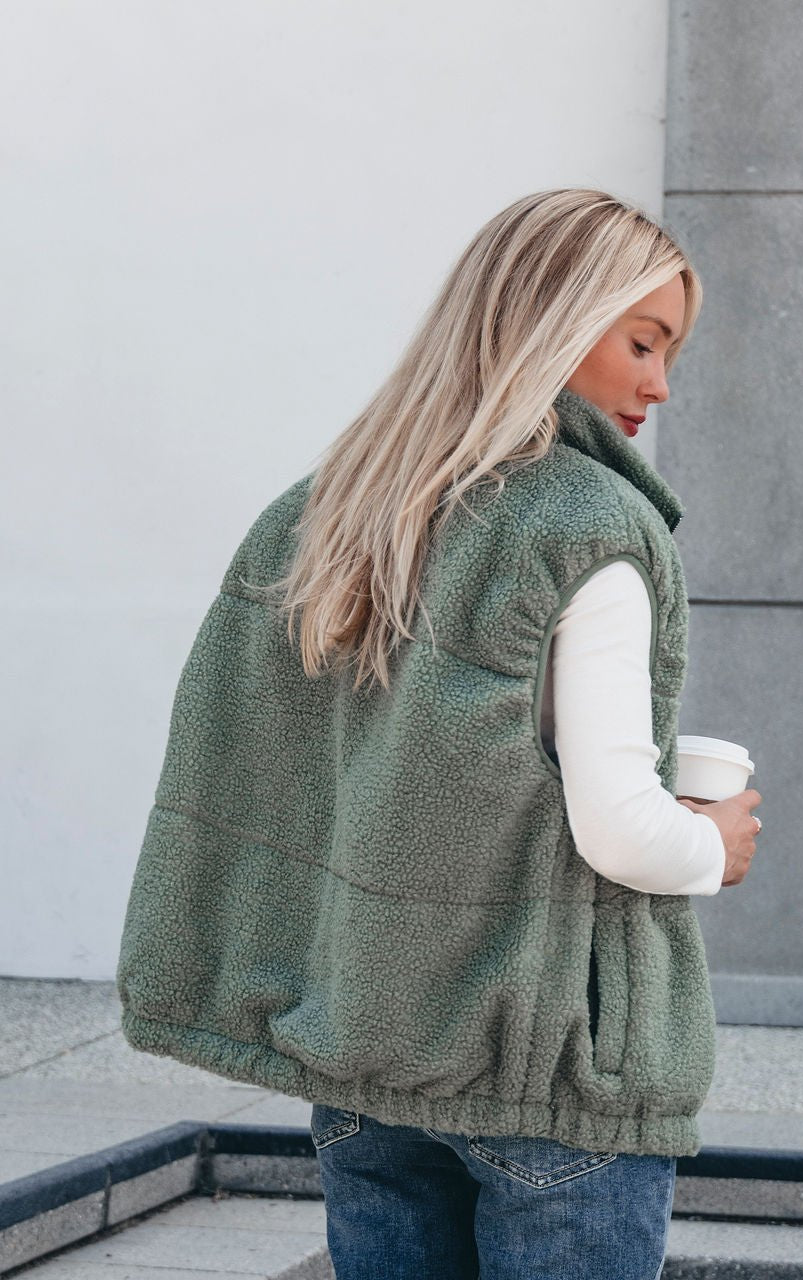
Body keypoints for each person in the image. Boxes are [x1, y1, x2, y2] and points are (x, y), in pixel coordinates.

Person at [116, 188, 762, 1279]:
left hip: (366, 1065)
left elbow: (291, 770)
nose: (658, 384)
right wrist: (714, 841)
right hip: (546, 1083)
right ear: (551, 318)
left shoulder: (330, 507)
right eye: (643, 342)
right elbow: (617, 829)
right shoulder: (591, 524)